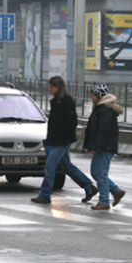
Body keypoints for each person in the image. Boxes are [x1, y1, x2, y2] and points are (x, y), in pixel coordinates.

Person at [31, 76, 98, 205]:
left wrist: (58, 137)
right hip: (56, 139)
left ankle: (45, 194)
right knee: (67, 166)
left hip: (61, 140)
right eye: (49, 87)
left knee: (50, 166)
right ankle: (89, 187)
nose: (49, 90)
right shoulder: (55, 101)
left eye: (52, 87)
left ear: (58, 87)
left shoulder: (67, 101)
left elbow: (71, 122)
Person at [84, 84, 126, 210]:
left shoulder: (104, 110)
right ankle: (116, 191)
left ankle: (104, 201)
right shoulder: (100, 108)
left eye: (93, 95)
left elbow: (104, 131)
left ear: (99, 96)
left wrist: (96, 147)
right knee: (96, 172)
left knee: (100, 173)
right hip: (103, 147)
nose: (91, 97)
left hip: (104, 147)